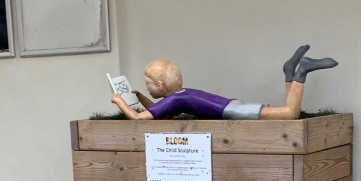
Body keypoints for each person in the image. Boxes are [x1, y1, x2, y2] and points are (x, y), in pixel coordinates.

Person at [110, 45, 338, 120]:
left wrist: (119, 101)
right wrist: (140, 97)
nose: (147, 87)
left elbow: (140, 120)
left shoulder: (174, 100)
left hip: (231, 111)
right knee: (285, 114)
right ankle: (289, 72)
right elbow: (157, 112)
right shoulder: (177, 96)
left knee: (290, 114)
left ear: (161, 85)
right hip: (230, 105)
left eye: (148, 84)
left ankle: (301, 72)